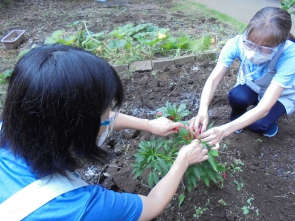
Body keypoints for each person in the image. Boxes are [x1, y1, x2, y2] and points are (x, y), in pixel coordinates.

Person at [0, 44, 208, 220]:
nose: (111, 117)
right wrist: (183, 159)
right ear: (78, 129)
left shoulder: (21, 125)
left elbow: (93, 121)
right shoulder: (78, 206)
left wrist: (148, 124)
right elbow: (153, 204)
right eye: (105, 115)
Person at [190, 7, 295, 147]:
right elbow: (214, 79)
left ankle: (269, 122)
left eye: (264, 49)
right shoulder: (236, 43)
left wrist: (224, 130)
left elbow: (264, 107)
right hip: (255, 84)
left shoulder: (289, 56)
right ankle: (238, 117)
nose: (254, 52)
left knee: (259, 125)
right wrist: (202, 111)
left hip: (281, 93)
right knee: (237, 96)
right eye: (250, 44)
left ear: (281, 44)